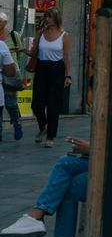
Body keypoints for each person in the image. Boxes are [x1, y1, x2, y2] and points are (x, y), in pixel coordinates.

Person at [0, 64, 112, 237]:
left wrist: (91, 148)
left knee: (67, 187)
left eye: (89, 90)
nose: (88, 96)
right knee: (65, 164)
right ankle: (39, 219)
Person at [30, 8, 70, 148]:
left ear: (56, 18)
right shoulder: (41, 33)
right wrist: (28, 47)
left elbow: (66, 56)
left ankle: (50, 136)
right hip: (42, 68)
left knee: (53, 104)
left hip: (57, 69)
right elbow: (34, 52)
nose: (47, 19)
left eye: (50, 17)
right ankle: (44, 127)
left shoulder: (64, 35)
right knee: (36, 104)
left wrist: (68, 75)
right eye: (46, 16)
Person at [1, 11, 24, 140]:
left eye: (0, 21)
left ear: (5, 23)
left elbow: (19, 54)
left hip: (10, 73)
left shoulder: (14, 36)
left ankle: (16, 123)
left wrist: (15, 69)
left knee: (11, 103)